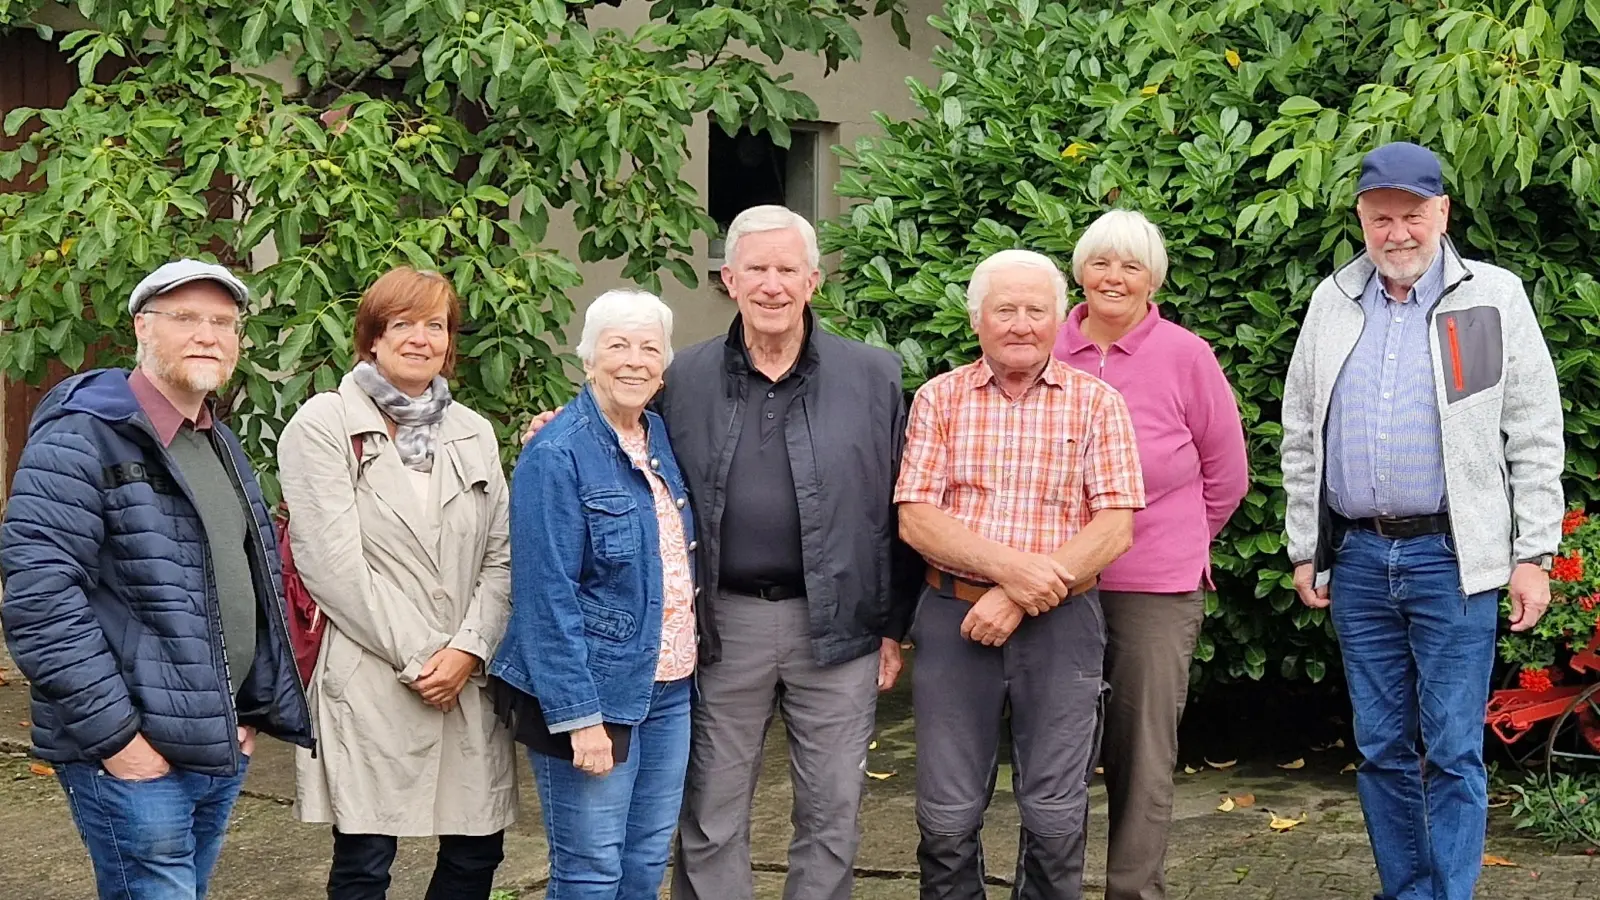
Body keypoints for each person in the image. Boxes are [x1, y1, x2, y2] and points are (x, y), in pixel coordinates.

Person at [524, 205, 920, 900]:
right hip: (723, 624)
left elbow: (899, 508)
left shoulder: (875, 377)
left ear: (814, 280)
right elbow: (621, 435)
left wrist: (893, 626)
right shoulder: (684, 376)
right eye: (756, 269)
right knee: (710, 811)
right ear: (729, 280)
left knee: (832, 812)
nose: (772, 284)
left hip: (840, 626)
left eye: (787, 269)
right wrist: (562, 427)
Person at [1281, 141, 1563, 900]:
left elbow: (1534, 432)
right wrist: (1306, 547)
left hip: (1453, 557)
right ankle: (1407, 891)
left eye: (1411, 216)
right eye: (1381, 218)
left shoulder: (1488, 298)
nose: (1396, 232)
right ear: (1361, 219)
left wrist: (1533, 551)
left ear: (1442, 212)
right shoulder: (1333, 300)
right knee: (1380, 748)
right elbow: (1301, 431)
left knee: (1453, 751)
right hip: (1360, 559)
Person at [0, 259, 314, 899]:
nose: (207, 335)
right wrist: (119, 741)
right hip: (134, 754)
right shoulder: (82, 437)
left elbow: (250, 583)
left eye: (223, 323)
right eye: (186, 318)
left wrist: (248, 713)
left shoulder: (217, 442)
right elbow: (39, 600)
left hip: (217, 739)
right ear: (143, 328)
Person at [897, 248, 1146, 900]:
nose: (1020, 324)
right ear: (976, 319)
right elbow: (917, 519)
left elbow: (1114, 526)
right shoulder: (938, 399)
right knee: (947, 815)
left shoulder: (1097, 403)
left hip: (1063, 625)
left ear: (1059, 320)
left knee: (1056, 815)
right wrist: (1014, 574)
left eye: (1036, 310)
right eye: (1004, 309)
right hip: (954, 618)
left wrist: (1018, 596)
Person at [278, 267, 516, 900]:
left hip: (464, 676)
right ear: (372, 337)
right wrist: (425, 657)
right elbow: (331, 566)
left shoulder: (473, 430)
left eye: (435, 325)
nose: (420, 338)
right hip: (374, 671)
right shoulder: (323, 424)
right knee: (366, 859)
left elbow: (502, 558)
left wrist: (467, 651)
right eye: (402, 324)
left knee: (477, 851)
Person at [1052, 210, 1249, 900]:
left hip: (1155, 587)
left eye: (1131, 265)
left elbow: (1227, 475)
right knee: (1054, 752)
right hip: (1054, 582)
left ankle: (1133, 891)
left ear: (1153, 279)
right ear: (1080, 271)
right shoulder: (1043, 344)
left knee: (1142, 756)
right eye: (1101, 262)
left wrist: (1178, 540)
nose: (1114, 277)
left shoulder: (1186, 355)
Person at [489, 289, 695, 899]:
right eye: (617, 345)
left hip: (669, 687)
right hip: (594, 694)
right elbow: (545, 598)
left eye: (649, 348)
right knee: (590, 870)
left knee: (645, 861)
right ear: (587, 360)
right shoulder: (556, 454)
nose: (634, 360)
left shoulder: (658, 435)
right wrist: (579, 718)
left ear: (664, 367)